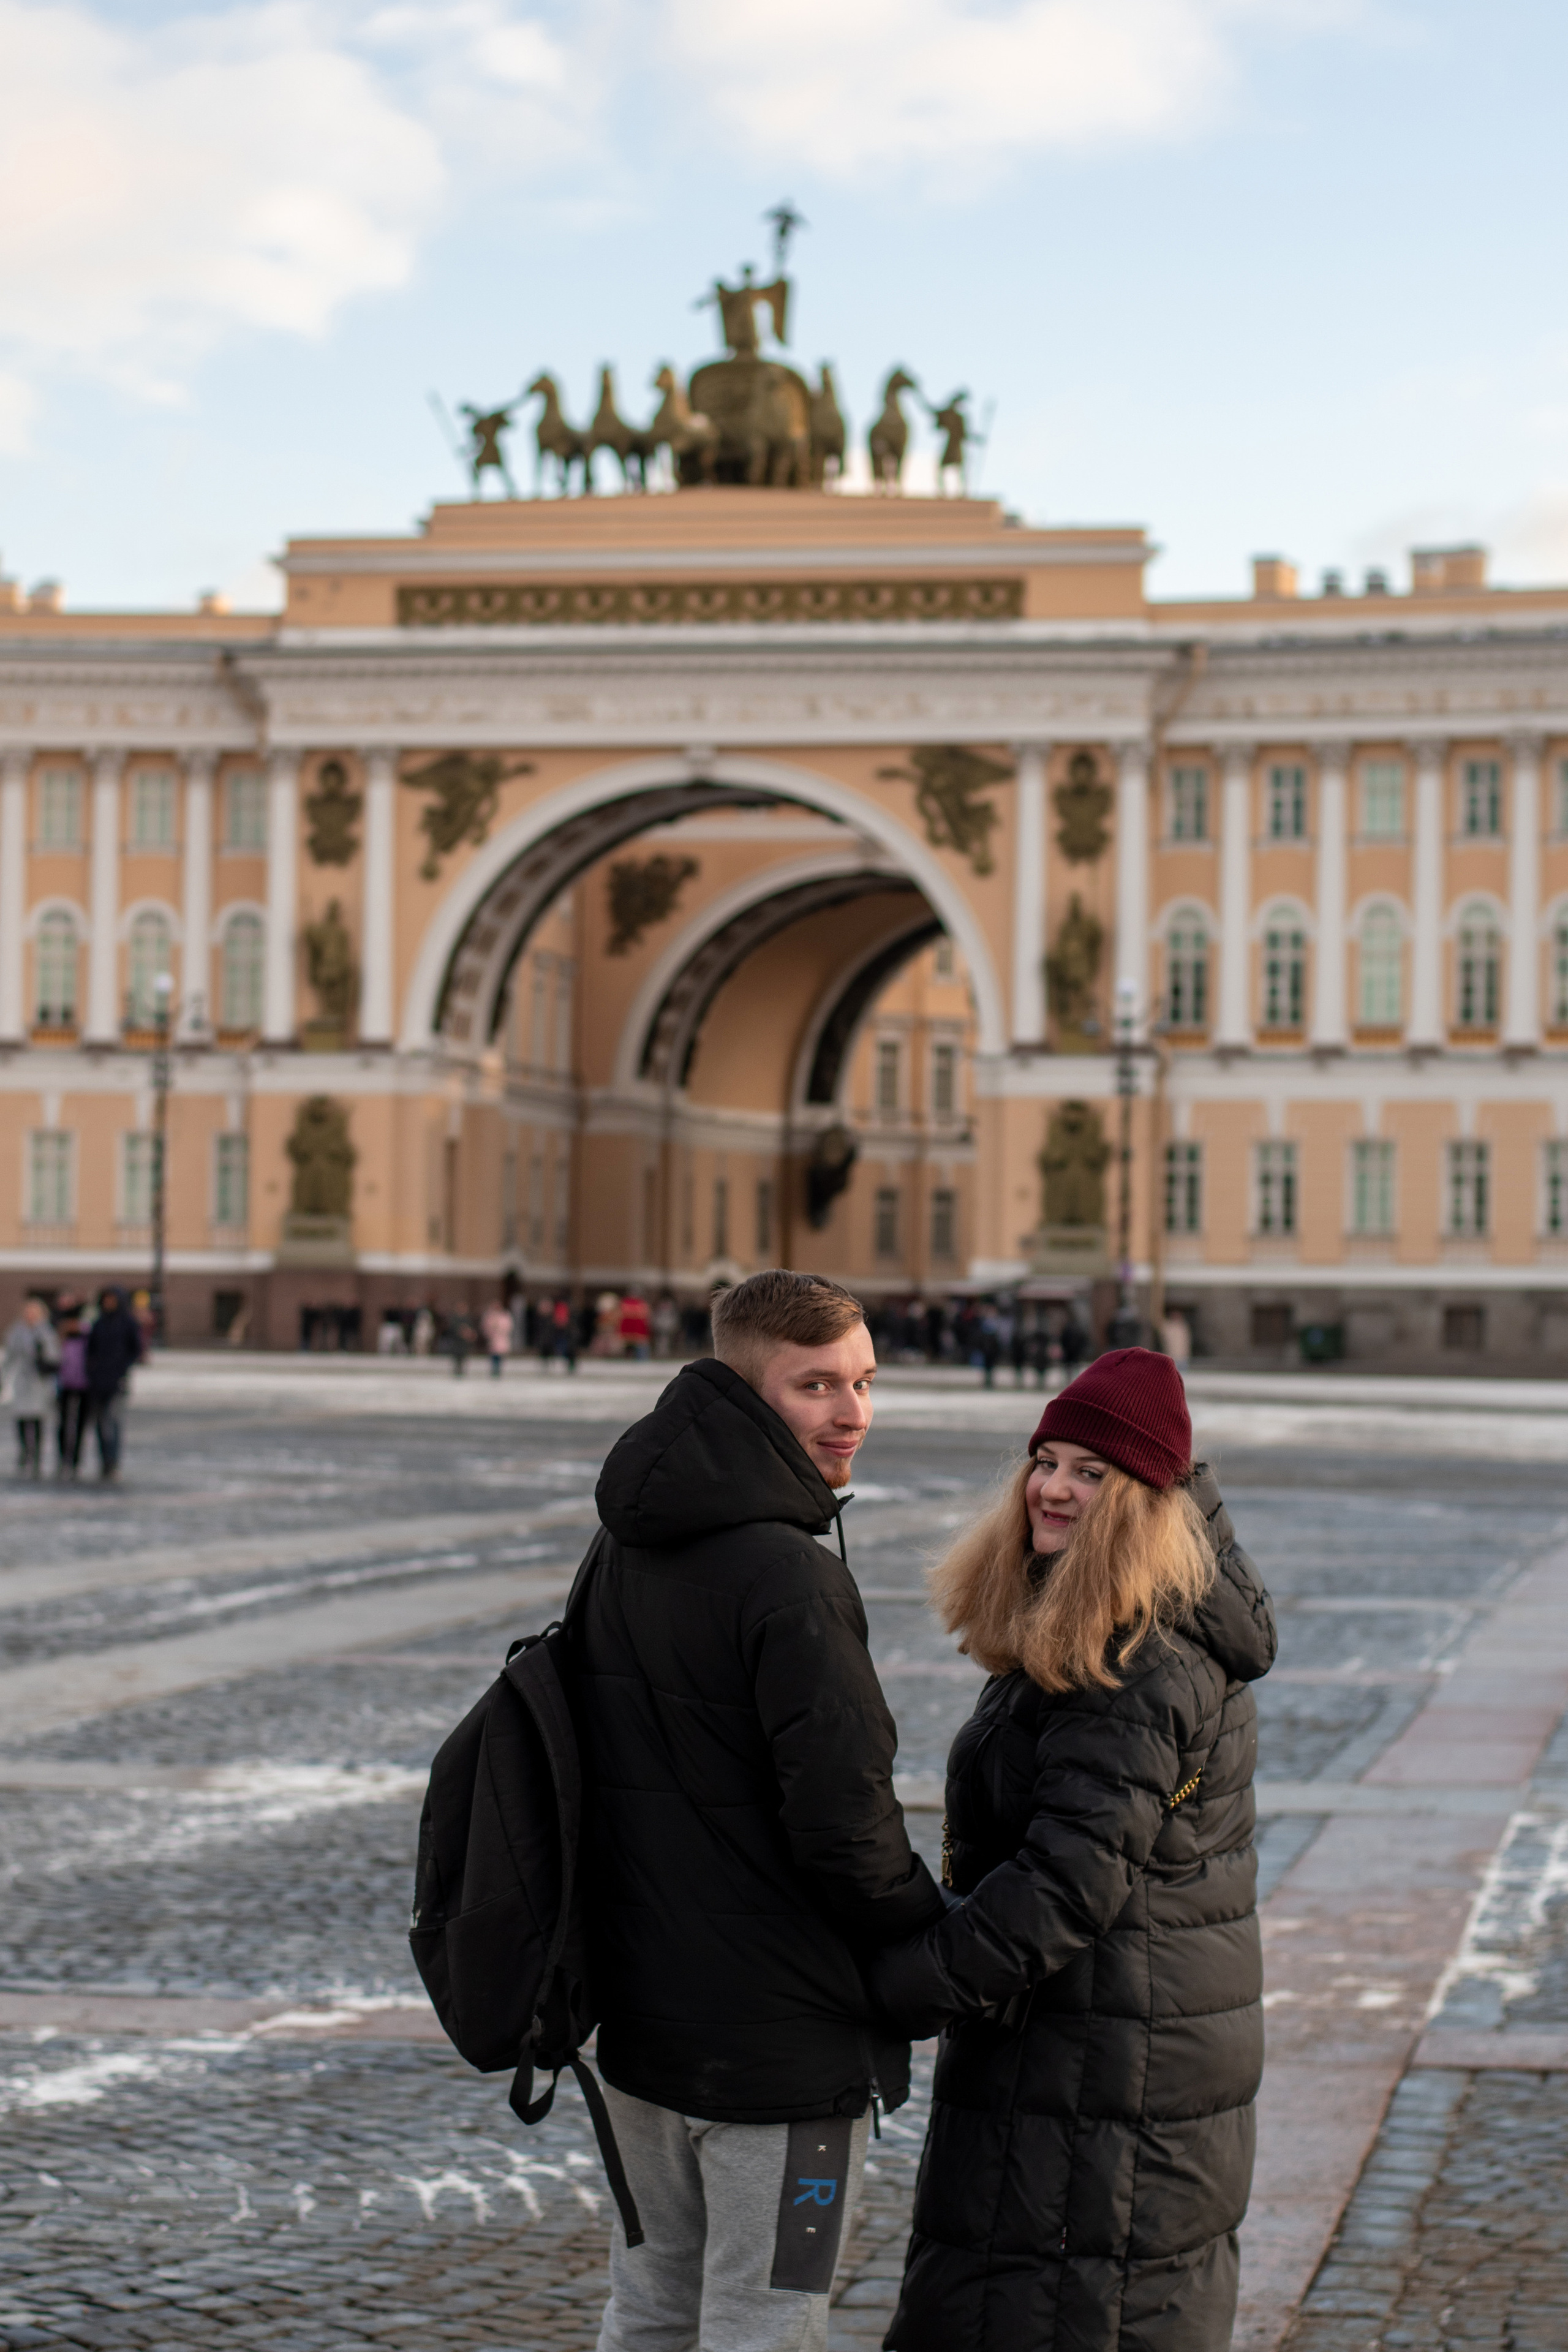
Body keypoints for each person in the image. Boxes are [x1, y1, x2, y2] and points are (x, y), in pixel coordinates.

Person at [869, 1348, 1276, 2351]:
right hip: (1098, 2061)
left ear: (1144, 1499)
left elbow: (1063, 1888)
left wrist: (891, 1986)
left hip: (1099, 2081)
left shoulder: (1134, 1658)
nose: (1051, 1486)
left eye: (1090, 1472)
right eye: (1045, 1459)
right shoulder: (1104, 1620)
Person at [573, 1270, 945, 2351]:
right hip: (780, 2048)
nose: (852, 1413)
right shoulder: (791, 1577)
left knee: (649, 2309)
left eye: (866, 1383)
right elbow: (846, 1823)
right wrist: (930, 1938)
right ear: (745, 1391)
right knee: (768, 2322)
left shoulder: (621, 1543)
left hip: (639, 2022)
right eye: (816, 1385)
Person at [85, 1286, 143, 1481]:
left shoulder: (127, 1323)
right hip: (98, 1381)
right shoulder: (99, 1323)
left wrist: (122, 1368)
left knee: (115, 1421)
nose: (109, 1303)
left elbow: (135, 1349)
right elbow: (91, 1349)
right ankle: (104, 1460)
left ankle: (113, 1461)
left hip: (118, 1380)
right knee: (101, 1423)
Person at [4, 1298, 59, 1477]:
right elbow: (10, 1357)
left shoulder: (45, 1332)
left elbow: (55, 1357)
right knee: (21, 1418)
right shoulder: (17, 1331)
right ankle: (24, 1452)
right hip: (23, 1381)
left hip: (40, 1382)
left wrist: (43, 1353)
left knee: (37, 1419)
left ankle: (36, 1455)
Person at [55, 1298, 91, 1477]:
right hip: (64, 1385)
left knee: (80, 1425)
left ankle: (76, 1460)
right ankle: (63, 1459)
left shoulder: (88, 1337)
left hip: (85, 1386)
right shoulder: (61, 1338)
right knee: (63, 1423)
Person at [480, 1298, 513, 1378]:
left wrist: (500, 1328)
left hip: (501, 1339)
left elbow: (508, 1327)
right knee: (493, 1355)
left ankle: (498, 1370)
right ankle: (494, 1370)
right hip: (493, 1339)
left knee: (500, 1355)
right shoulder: (489, 1316)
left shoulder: (505, 1315)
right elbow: (485, 1327)